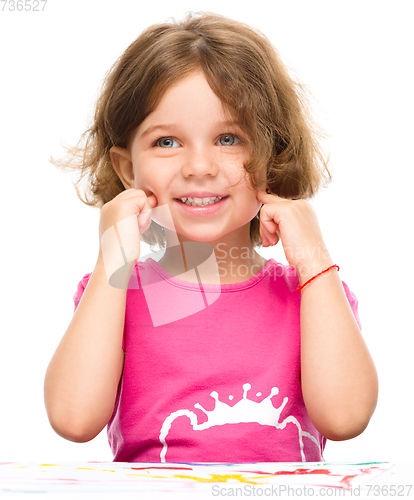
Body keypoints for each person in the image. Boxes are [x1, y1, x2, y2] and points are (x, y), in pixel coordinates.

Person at [44, 12, 378, 463]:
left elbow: (345, 418)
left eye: (228, 138)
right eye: (167, 142)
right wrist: (113, 260)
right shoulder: (116, 292)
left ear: (271, 156)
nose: (199, 166)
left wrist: (314, 260)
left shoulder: (314, 293)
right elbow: (73, 419)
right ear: (128, 170)